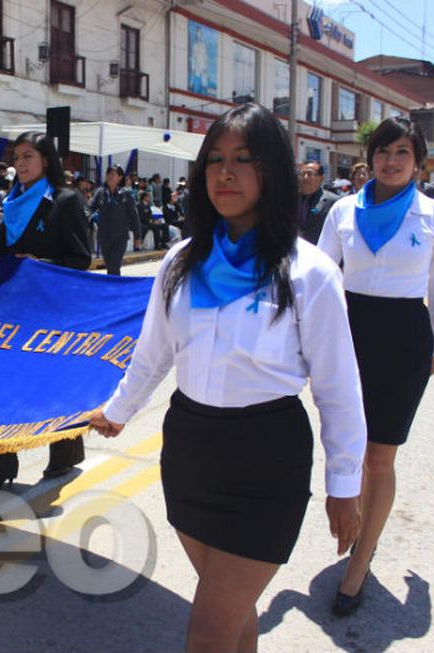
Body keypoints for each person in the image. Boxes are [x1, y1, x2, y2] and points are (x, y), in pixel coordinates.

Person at [89, 103, 365, 652]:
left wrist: (344, 483)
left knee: (208, 629)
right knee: (232, 615)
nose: (225, 172)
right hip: (190, 453)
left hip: (267, 461)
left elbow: (338, 388)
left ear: (272, 171)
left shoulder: (310, 272)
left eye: (243, 159)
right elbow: (153, 355)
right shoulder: (178, 262)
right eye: (214, 160)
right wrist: (116, 411)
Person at [318, 116, 434, 616]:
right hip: (348, 334)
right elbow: (320, 275)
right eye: (382, 151)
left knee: (380, 458)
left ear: (418, 161)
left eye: (401, 152)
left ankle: (360, 563)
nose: (390, 161)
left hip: (403, 340)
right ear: (370, 158)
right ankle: (356, 521)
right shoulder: (341, 212)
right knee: (348, 449)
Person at [0, 131, 92, 490]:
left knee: (52, 384)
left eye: (27, 157)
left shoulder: (66, 200)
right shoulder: (11, 201)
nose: (20, 164)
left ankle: (65, 455)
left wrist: (39, 263)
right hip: (13, 308)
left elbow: (81, 259)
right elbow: (11, 252)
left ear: (46, 161)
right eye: (17, 157)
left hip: (52, 311)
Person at [87, 165, 142, 275]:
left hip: (119, 238)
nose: (110, 176)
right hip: (104, 237)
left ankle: (114, 290)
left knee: (114, 267)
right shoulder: (100, 192)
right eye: (108, 174)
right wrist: (87, 217)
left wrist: (138, 237)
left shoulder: (126, 194)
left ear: (120, 177)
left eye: (113, 174)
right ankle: (114, 287)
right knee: (109, 266)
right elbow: (89, 208)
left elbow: (134, 216)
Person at [297, 162, 340, 244]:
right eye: (302, 174)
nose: (305, 177)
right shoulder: (292, 200)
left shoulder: (333, 201)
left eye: (310, 174)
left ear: (321, 178)